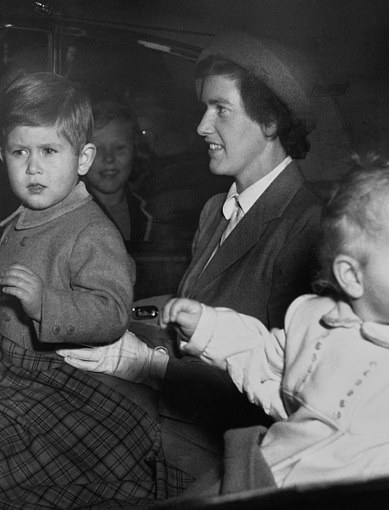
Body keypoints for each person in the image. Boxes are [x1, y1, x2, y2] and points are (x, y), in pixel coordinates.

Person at [0, 72, 183, 508]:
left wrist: (45, 304)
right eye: (20, 152)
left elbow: (110, 312)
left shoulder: (91, 231)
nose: (33, 167)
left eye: (50, 151)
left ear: (83, 158)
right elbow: (5, 283)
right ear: (3, 156)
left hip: (48, 379)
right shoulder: (25, 217)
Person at [58, 30, 323, 483]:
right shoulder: (215, 211)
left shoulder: (308, 227)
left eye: (220, 109)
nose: (202, 126)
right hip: (176, 417)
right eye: (205, 108)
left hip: (225, 450)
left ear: (271, 122)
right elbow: (187, 327)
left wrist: (147, 367)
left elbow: (285, 392)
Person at [160, 157, 389, 495]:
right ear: (352, 277)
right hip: (261, 468)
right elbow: (265, 360)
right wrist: (209, 327)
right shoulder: (313, 318)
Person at [84, 98, 153, 241]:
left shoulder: (152, 211)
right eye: (97, 149)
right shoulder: (67, 217)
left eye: (119, 148)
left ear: (136, 149)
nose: (109, 158)